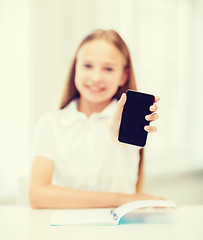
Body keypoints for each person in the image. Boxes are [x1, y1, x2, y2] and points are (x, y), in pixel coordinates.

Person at [29, 29, 162, 209]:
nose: (96, 77)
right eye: (87, 66)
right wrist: (124, 200)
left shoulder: (131, 118)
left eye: (108, 68)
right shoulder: (50, 123)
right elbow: (38, 195)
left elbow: (120, 141)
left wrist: (118, 131)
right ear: (75, 67)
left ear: (123, 76)